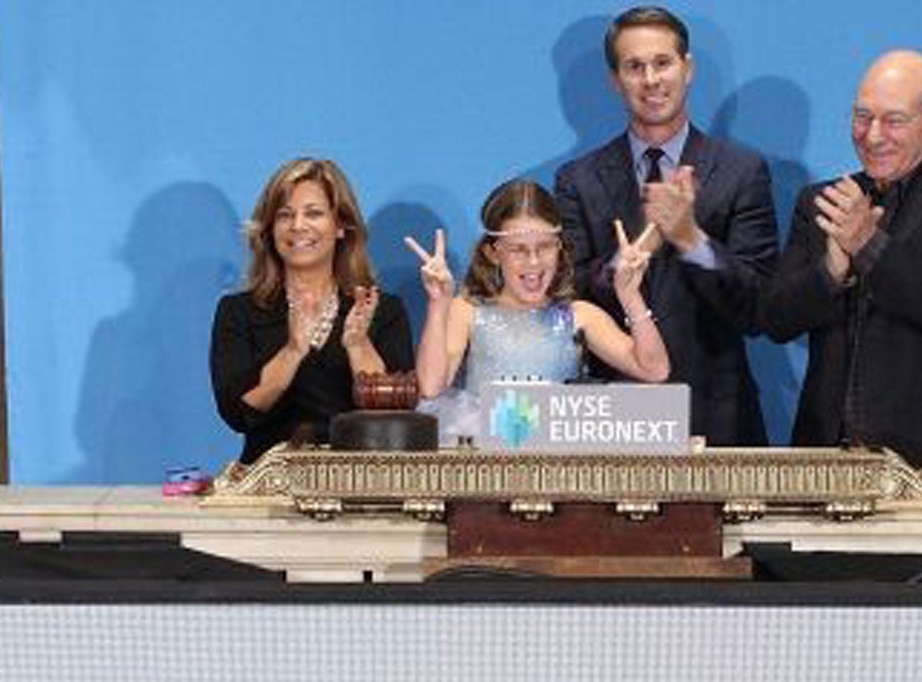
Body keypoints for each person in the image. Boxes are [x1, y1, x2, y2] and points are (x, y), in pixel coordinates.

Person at [758, 50, 922, 488]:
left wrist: (867, 245)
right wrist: (832, 269)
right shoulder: (822, 202)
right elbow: (777, 319)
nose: (872, 135)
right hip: (823, 456)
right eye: (861, 116)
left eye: (892, 120)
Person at [553, 5, 779, 445]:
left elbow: (759, 306)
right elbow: (567, 295)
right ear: (614, 80)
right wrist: (634, 254)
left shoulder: (741, 171)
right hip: (609, 417)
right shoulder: (577, 180)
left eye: (662, 63)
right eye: (634, 67)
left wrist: (690, 239)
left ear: (687, 68)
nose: (651, 80)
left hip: (716, 416)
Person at [407, 179, 666, 437]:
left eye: (544, 247)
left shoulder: (580, 315)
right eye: (518, 250)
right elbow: (430, 387)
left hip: (557, 461)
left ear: (559, 246)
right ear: (493, 253)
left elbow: (653, 370)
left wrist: (630, 296)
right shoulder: (466, 311)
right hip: (488, 459)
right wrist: (438, 306)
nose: (533, 262)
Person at [209, 156, 415, 463]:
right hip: (268, 490)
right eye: (284, 215)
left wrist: (358, 346)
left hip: (359, 486)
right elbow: (238, 413)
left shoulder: (382, 310)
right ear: (269, 229)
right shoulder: (239, 311)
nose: (298, 226)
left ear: (341, 225)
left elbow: (396, 416)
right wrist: (292, 351)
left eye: (314, 213)